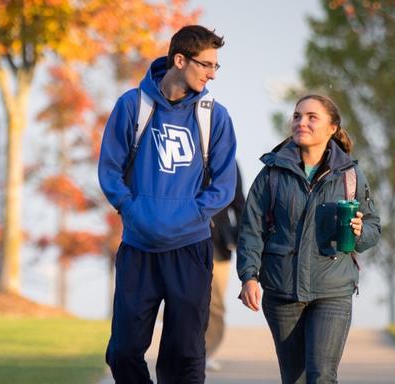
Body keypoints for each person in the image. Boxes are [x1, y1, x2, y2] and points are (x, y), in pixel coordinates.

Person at [98, 25, 238, 383]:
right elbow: (110, 170)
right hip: (138, 248)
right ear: (180, 60)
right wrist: (131, 210)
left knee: (185, 356)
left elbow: (224, 185)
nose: (212, 74)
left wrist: (191, 215)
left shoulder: (214, 116)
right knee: (123, 351)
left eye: (215, 67)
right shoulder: (133, 105)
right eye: (206, 65)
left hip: (189, 250)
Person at [236, 94, 381, 384]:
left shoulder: (350, 176)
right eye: (297, 116)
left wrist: (358, 232)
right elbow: (251, 228)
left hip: (333, 290)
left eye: (312, 117)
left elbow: (373, 227)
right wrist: (248, 277)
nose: (301, 122)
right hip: (282, 291)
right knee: (295, 378)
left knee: (321, 376)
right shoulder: (272, 174)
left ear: (332, 128)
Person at [206, 164, 245, 371]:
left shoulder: (228, 161)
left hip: (218, 244)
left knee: (216, 303)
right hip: (183, 238)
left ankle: (207, 351)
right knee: (186, 300)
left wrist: (241, 239)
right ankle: (187, 350)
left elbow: (239, 203)